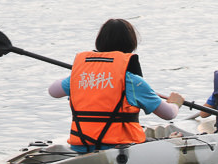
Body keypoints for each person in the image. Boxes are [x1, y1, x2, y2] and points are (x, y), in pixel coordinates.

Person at [48, 19, 185, 151]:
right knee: (165, 139)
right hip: (122, 147)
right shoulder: (133, 81)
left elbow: (53, 91)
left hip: (82, 145)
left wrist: (77, 73)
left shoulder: (80, 78)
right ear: (131, 45)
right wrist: (175, 104)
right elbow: (168, 114)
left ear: (99, 43)